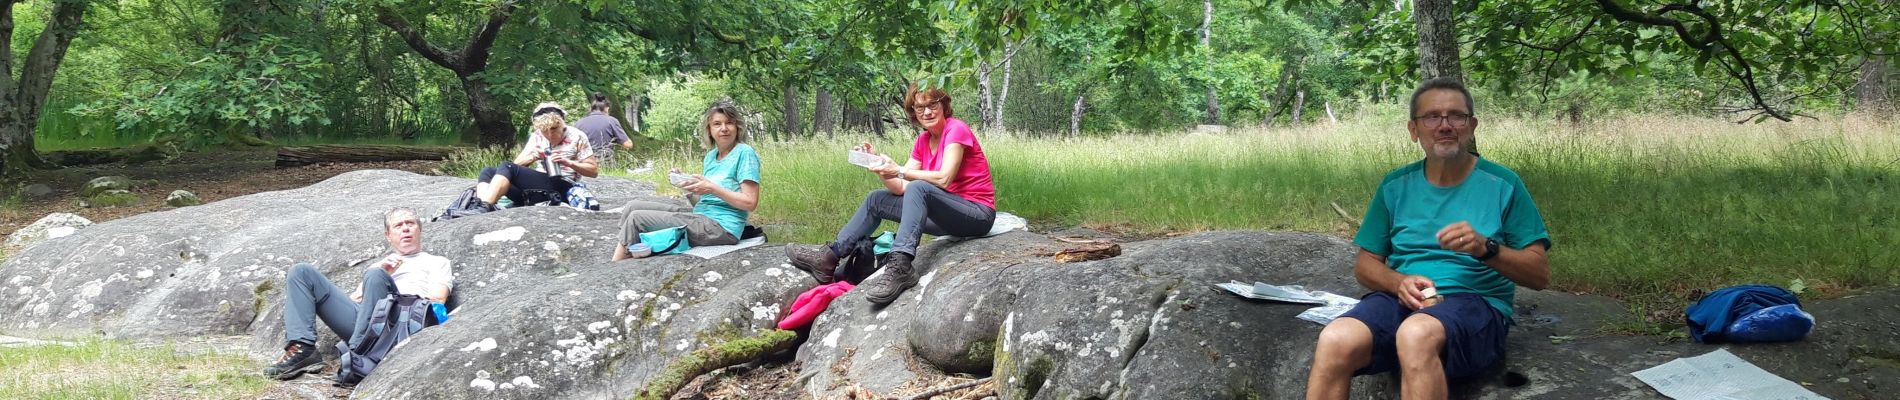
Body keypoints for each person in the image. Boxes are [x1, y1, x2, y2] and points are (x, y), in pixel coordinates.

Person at [1304, 77, 1552, 400]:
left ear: (1472, 126)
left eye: (1456, 116)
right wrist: (1398, 283)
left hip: (1475, 305)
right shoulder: (1395, 186)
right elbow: (1365, 265)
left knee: (1416, 333)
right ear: (1414, 130)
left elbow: (1539, 274)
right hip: (1401, 301)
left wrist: (1486, 248)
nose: (1445, 125)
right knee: (1336, 338)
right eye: (1432, 117)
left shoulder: (1503, 184)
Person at [785, 83, 996, 304]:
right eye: (919, 107)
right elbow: (901, 187)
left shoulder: (956, 129)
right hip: (946, 218)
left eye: (932, 104)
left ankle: (901, 265)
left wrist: (901, 170)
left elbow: (944, 178)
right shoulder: (923, 140)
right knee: (877, 199)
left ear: (943, 105)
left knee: (919, 186)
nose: (926, 112)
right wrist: (878, 165)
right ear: (913, 111)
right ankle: (829, 257)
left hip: (976, 215)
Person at [261, 208, 454, 380]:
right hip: (365, 326)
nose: (405, 228)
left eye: (410, 224)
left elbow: (437, 301)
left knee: (375, 275)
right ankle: (303, 349)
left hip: (400, 324)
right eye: (398, 225)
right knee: (301, 271)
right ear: (388, 235)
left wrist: (384, 281)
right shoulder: (379, 266)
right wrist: (384, 275)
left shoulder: (437, 262)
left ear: (419, 230)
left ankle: (357, 354)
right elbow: (355, 304)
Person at [612, 101, 760, 260]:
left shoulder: (745, 153)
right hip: (701, 217)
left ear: (737, 127)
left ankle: (616, 267)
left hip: (722, 228)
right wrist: (688, 185)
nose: (724, 128)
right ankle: (627, 249)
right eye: (717, 124)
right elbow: (706, 200)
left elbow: (750, 202)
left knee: (637, 218)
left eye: (729, 123)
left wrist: (712, 187)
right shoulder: (711, 156)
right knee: (632, 206)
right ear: (709, 130)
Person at [473, 102, 599, 209]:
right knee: (488, 171)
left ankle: (485, 206)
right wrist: (533, 156)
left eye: (554, 129)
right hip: (537, 188)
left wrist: (568, 162)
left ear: (562, 123)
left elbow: (593, 171)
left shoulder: (577, 136)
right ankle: (480, 207)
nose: (550, 135)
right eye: (545, 131)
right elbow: (515, 165)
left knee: (507, 166)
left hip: (562, 185)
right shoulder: (536, 136)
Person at [575, 92, 634, 167]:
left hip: (584, 164)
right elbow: (628, 145)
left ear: (591, 109)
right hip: (605, 163)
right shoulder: (611, 121)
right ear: (607, 108)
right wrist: (616, 140)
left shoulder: (579, 123)